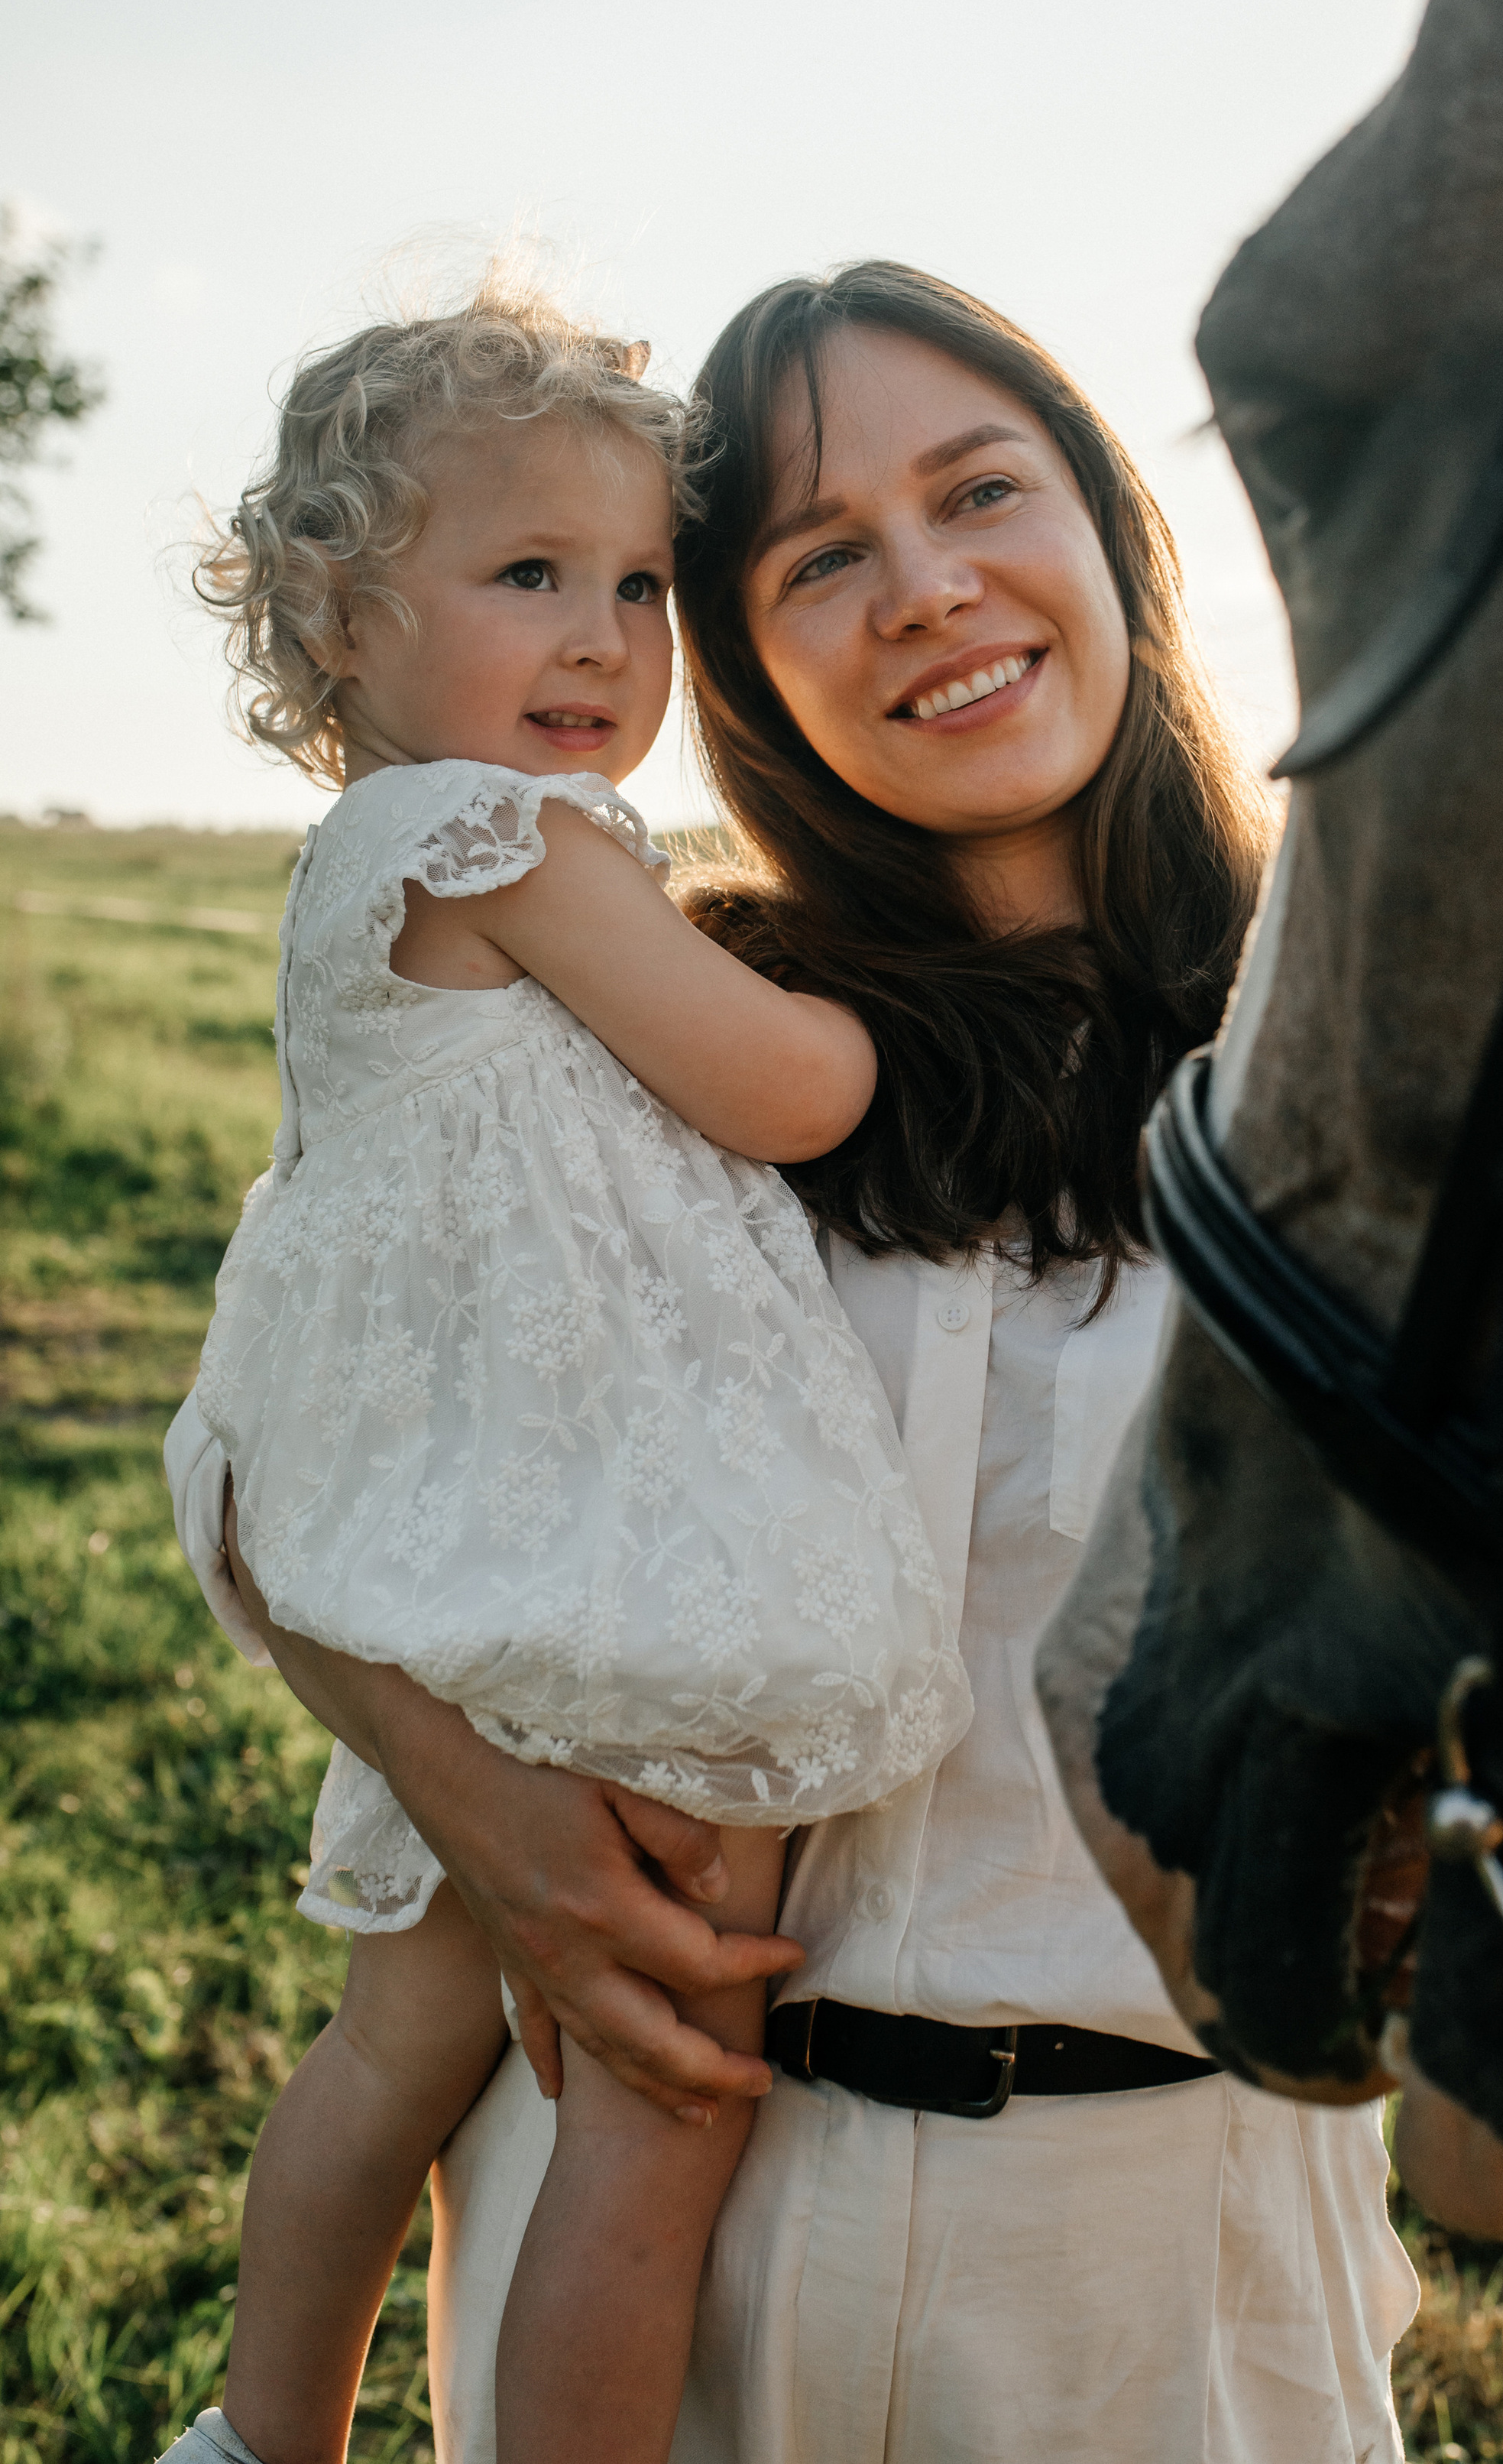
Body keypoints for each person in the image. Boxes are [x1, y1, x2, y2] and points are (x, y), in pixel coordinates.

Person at [176, 261, 1424, 2463]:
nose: (927, 588)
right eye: (822, 555)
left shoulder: (1362, 1042)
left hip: (1157, 2266)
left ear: (1113, 528)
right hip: (651, 2209)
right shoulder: (616, 1024)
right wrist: (482, 1810)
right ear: (748, 657)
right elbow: (274, 1441)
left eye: (982, 491)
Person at [157, 273, 970, 2464]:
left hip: (450, 1574)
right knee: (661, 2106)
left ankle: (256, 2437)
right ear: (338, 619)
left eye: (637, 584)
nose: (607, 638)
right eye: (530, 573)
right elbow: (782, 1089)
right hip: (614, 1585)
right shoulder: (503, 839)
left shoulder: (355, 877)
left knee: (391, 2054)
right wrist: (874, 1012)